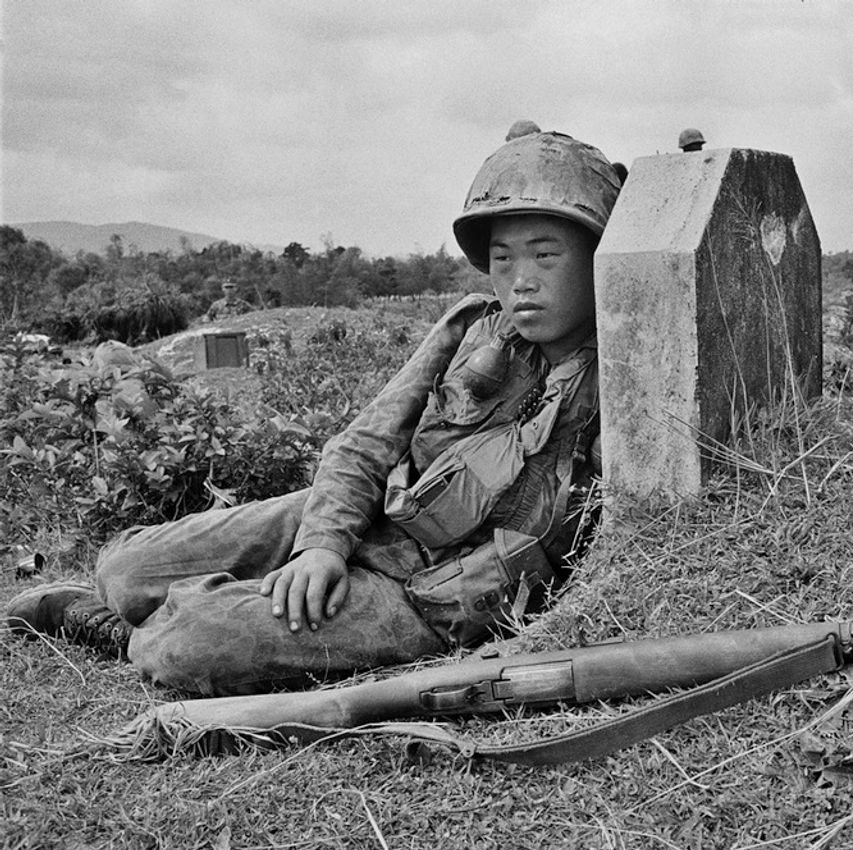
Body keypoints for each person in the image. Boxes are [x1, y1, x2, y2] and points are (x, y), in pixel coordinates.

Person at [3, 131, 621, 696]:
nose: (520, 282)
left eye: (546, 256)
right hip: (376, 512)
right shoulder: (474, 328)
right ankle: (150, 605)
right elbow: (364, 445)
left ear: (599, 255)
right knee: (125, 569)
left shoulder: (625, 374)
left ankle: (129, 630)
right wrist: (321, 545)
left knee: (187, 642)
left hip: (428, 592)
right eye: (503, 259)